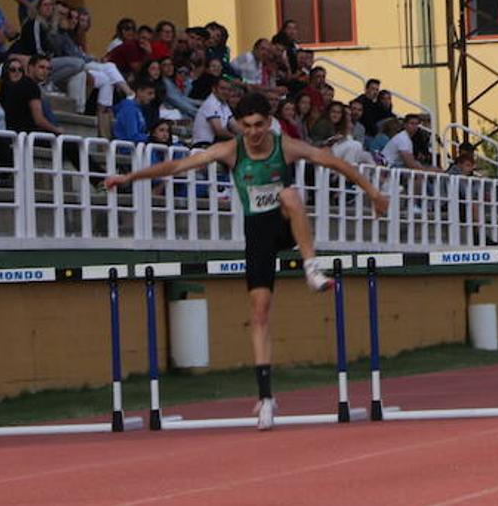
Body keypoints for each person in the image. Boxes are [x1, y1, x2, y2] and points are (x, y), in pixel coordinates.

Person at [105, 91, 390, 431]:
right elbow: (177, 165)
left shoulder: (285, 146)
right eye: (247, 126)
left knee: (290, 193)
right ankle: (266, 397)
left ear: (269, 123)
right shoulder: (230, 150)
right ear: (239, 126)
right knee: (259, 313)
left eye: (259, 125)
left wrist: (373, 193)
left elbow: (335, 163)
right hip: (258, 232)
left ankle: (312, 267)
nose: (254, 133)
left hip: (286, 223)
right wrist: (129, 178)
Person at [192, 76, 238, 146]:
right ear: (214, 89)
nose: (226, 92)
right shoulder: (211, 103)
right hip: (203, 145)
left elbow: (234, 125)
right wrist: (238, 139)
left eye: (229, 90)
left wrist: (246, 136)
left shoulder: (224, 104)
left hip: (215, 144)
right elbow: (219, 131)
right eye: (223, 88)